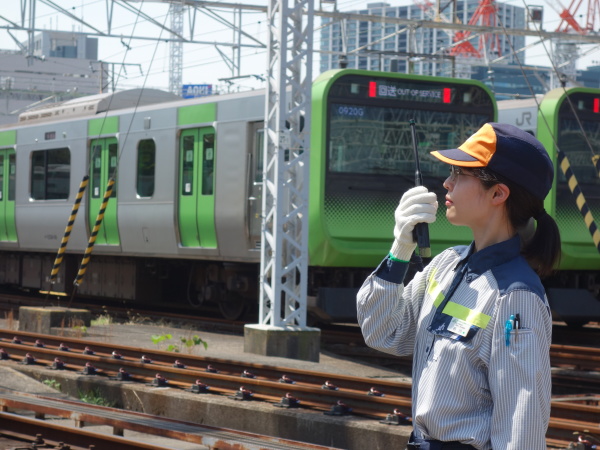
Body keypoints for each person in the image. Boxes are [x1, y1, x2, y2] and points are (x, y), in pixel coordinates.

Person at [356, 123, 561, 450]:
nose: (447, 182)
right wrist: (399, 250)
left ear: (498, 194)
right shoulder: (446, 265)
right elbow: (384, 331)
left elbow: (520, 423)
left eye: (461, 174)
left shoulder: (515, 296)